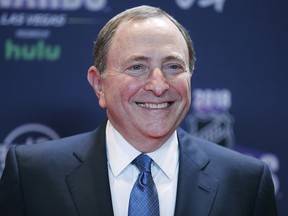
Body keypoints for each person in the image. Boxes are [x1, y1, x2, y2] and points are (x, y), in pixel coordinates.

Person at [0, 5, 277, 216]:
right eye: (137, 67)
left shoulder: (245, 182)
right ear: (99, 85)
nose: (158, 85)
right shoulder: (33, 175)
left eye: (173, 66)